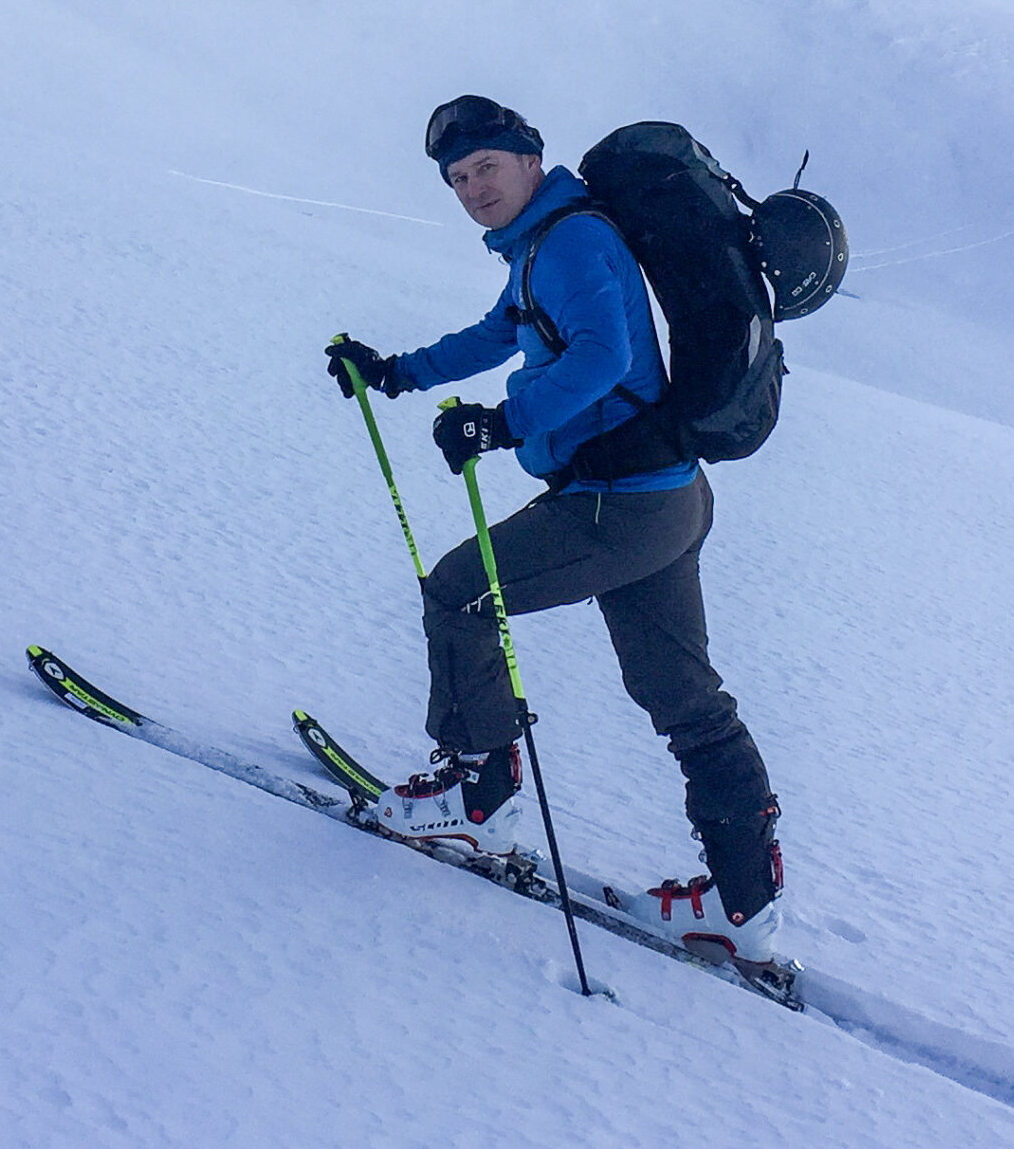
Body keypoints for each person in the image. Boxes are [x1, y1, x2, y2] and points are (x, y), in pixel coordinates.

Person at [325, 95, 786, 963]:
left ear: (530, 161)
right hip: (664, 498)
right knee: (683, 698)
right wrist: (394, 373)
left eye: (486, 168)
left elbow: (604, 357)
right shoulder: (545, 243)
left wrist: (503, 424)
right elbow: (497, 333)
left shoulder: (569, 243)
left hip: (618, 505)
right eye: (458, 178)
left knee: (460, 592)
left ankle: (477, 796)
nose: (472, 188)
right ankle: (743, 901)